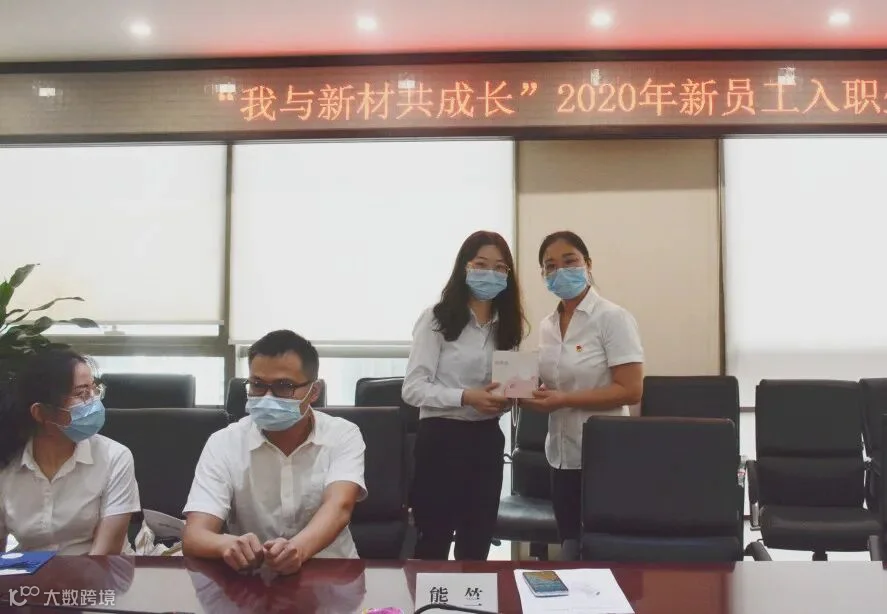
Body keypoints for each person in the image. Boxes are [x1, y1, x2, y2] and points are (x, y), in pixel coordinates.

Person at [182, 330, 366, 574]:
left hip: (331, 573)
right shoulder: (223, 442)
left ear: (314, 391)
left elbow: (339, 507)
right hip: (253, 579)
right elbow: (195, 536)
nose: (267, 397)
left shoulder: (343, 434)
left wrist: (297, 550)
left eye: (284, 386)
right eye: (258, 385)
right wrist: (225, 544)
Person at [403, 230, 527, 560]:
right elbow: (412, 389)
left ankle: (471, 595)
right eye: (481, 264)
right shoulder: (437, 318)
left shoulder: (508, 324)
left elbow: (505, 383)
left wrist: (515, 395)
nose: (490, 274)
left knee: (477, 540)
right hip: (441, 439)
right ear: (464, 267)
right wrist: (466, 397)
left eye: (499, 268)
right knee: (434, 538)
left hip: (486, 439)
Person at [523, 231, 644, 548]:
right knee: (569, 546)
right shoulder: (547, 325)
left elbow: (631, 390)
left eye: (569, 261)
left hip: (603, 457)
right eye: (550, 266)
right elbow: (553, 382)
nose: (560, 271)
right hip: (560, 456)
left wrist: (564, 399)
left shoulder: (613, 318)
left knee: (604, 551)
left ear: (588, 264)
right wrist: (525, 392)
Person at [0, 349, 140, 555]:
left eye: (94, 389)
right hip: (30, 573)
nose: (94, 401)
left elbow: (104, 554)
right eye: (82, 394)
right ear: (40, 412)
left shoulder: (115, 457)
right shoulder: (6, 463)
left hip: (97, 572)